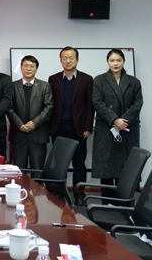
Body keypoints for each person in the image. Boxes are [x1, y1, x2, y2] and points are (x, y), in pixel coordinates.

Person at [92, 49, 143, 199]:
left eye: (119, 60)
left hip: (127, 128)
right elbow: (97, 103)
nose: (115, 63)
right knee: (106, 167)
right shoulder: (99, 80)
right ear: (108, 62)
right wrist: (115, 119)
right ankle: (107, 200)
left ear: (124, 62)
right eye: (112, 60)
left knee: (126, 168)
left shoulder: (134, 82)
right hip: (107, 128)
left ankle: (124, 201)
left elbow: (138, 103)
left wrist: (123, 121)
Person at [48, 46, 94, 206]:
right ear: (61, 60)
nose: (68, 61)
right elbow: (50, 104)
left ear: (77, 60)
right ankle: (59, 193)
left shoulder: (87, 79)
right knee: (59, 164)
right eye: (64, 58)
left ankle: (79, 195)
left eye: (71, 58)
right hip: (58, 127)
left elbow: (90, 105)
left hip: (79, 128)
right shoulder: (53, 79)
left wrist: (88, 126)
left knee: (79, 164)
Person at [7, 55, 53, 173]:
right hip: (18, 134)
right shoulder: (12, 86)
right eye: (26, 66)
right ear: (21, 67)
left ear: (36, 69)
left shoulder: (45, 86)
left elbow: (49, 108)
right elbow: (9, 108)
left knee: (37, 171)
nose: (28, 69)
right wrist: (20, 124)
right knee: (18, 171)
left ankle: (37, 187)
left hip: (38, 134)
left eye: (32, 66)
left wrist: (34, 123)